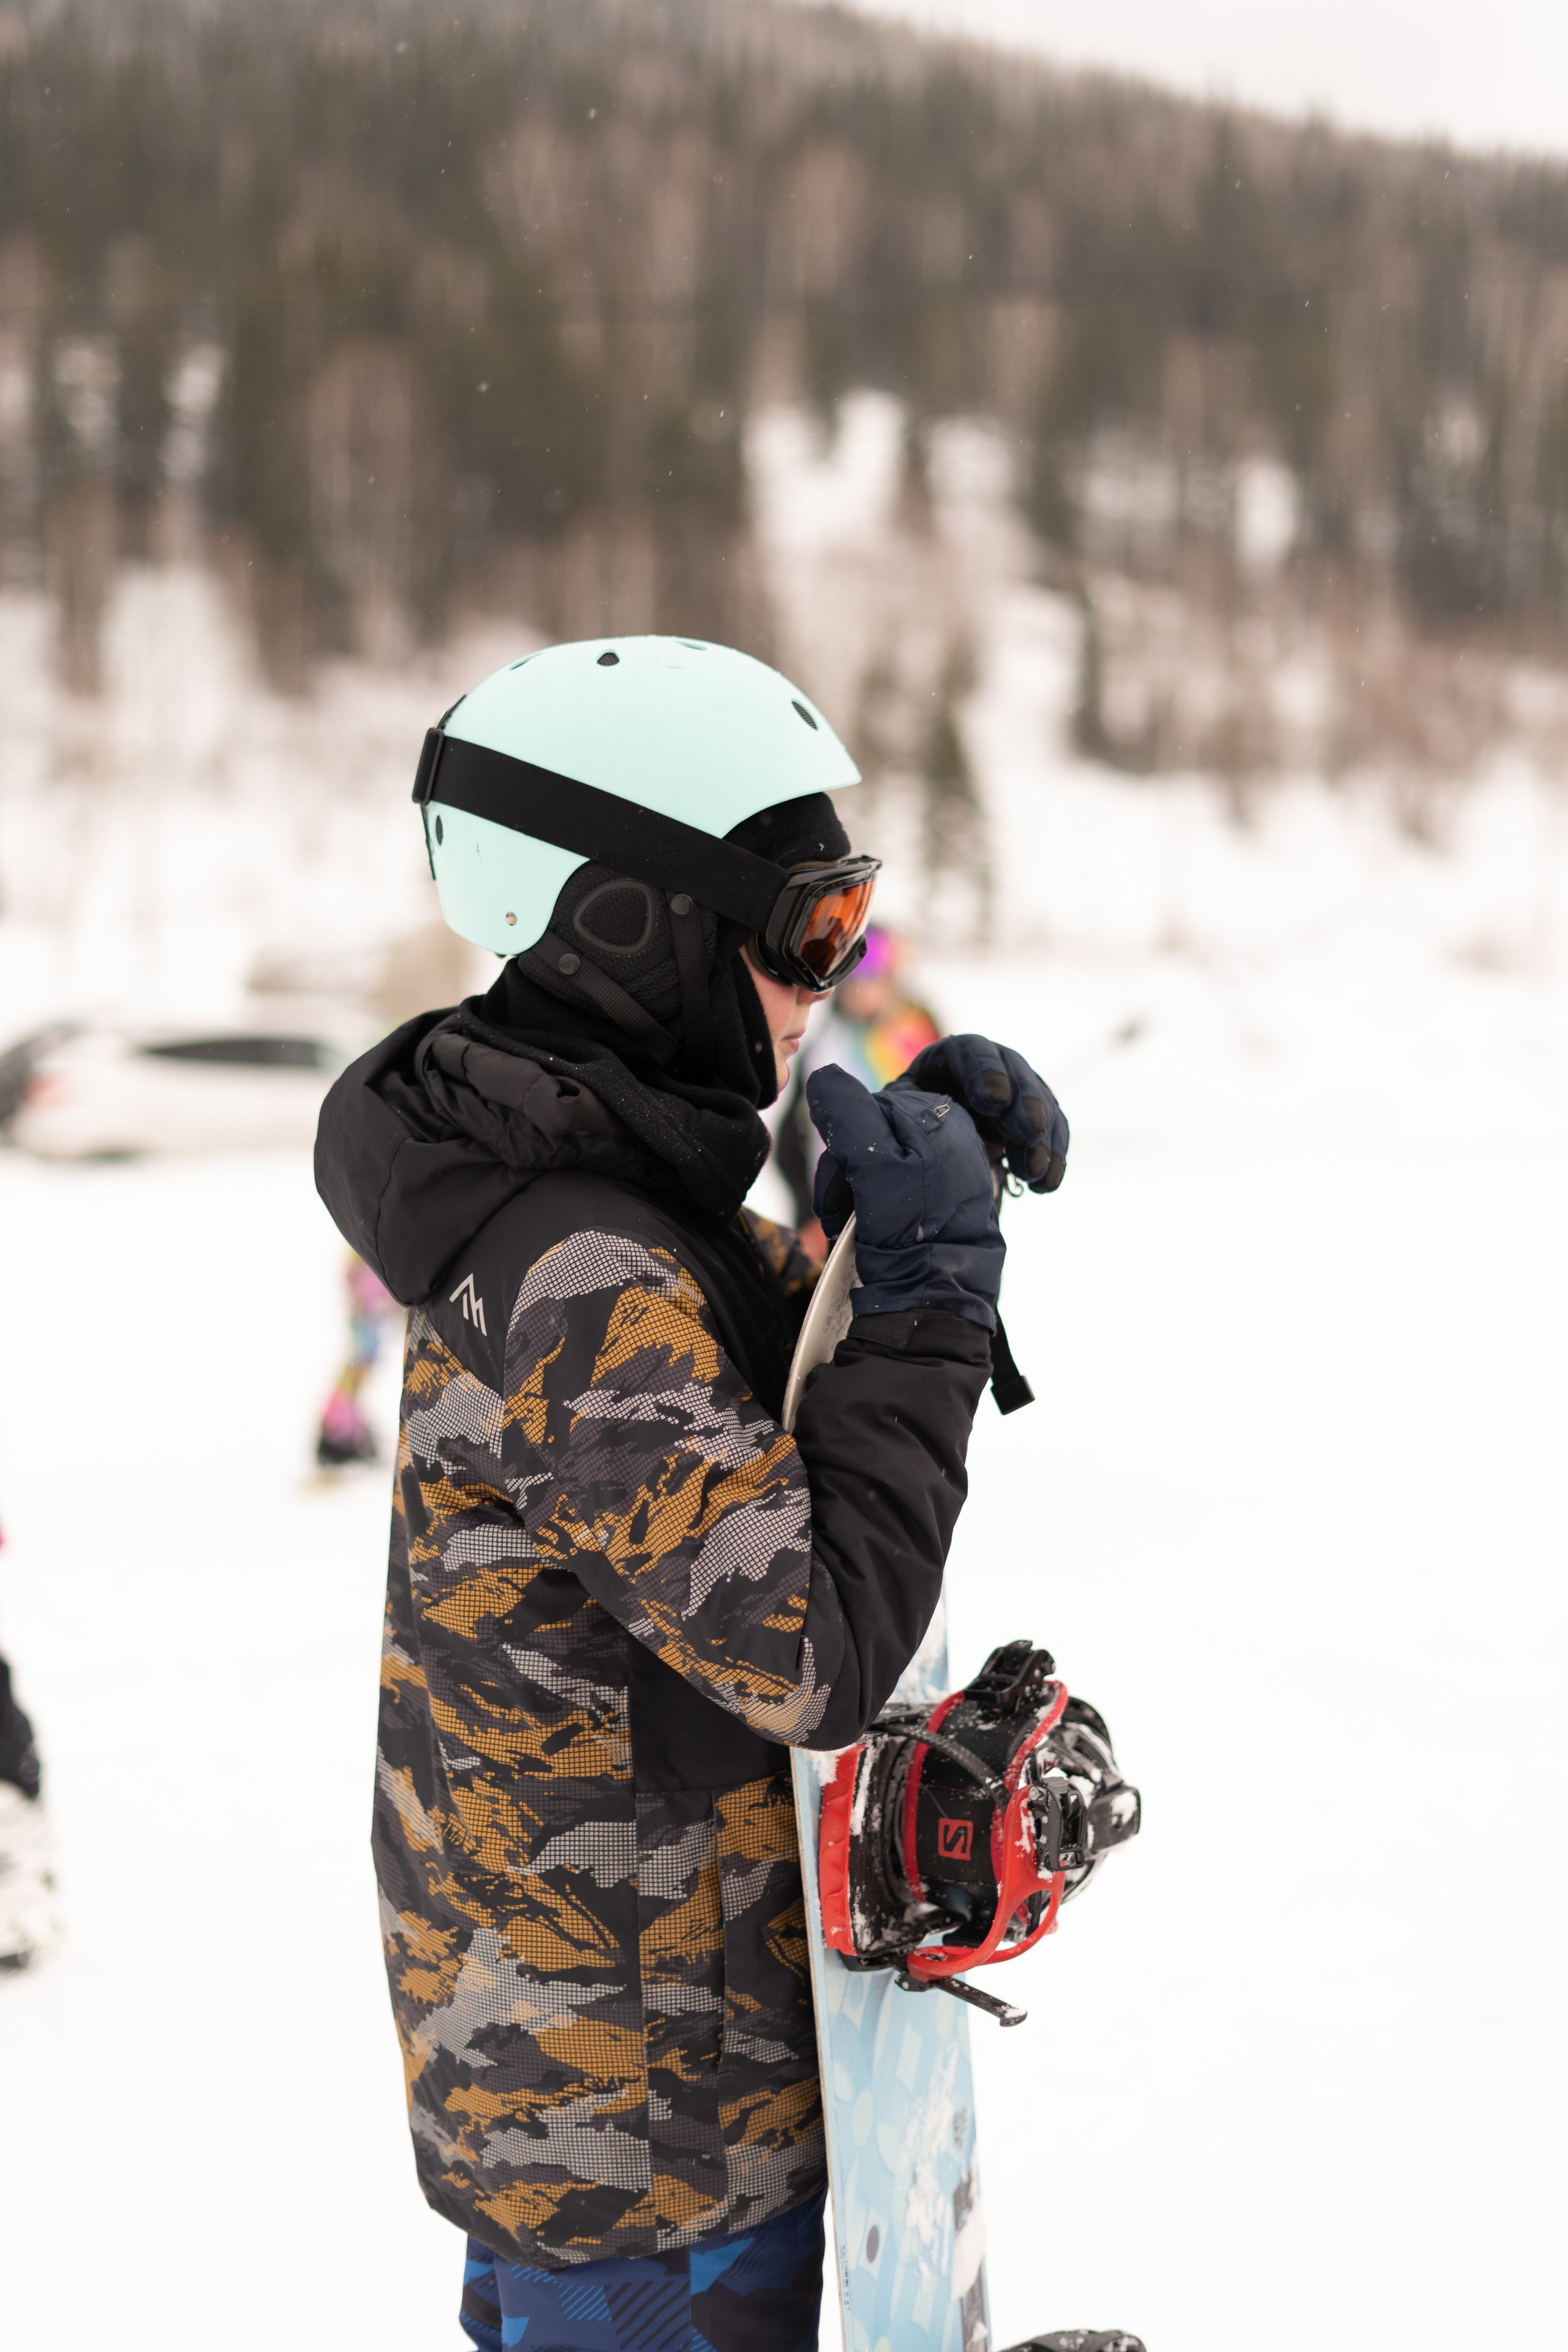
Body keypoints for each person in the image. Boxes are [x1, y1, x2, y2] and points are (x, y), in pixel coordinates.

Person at [314, 636, 1069, 2351]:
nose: (835, 976)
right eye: (809, 929)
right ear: (630, 927)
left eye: (851, 925)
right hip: (652, 2140)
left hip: (612, 2081)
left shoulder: (592, 1184)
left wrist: (887, 1236)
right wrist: (934, 1310)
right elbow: (807, 1645)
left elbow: (723, 1441)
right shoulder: (579, 1260)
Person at [774, 924, 941, 1257]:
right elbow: (792, 1141)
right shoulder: (825, 1042)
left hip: (910, 1227)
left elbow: (943, 1133)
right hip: (831, 1227)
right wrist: (810, 1216)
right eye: (852, 980)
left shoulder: (916, 1035)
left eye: (873, 978)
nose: (861, 991)